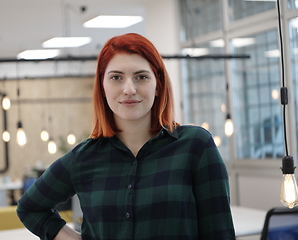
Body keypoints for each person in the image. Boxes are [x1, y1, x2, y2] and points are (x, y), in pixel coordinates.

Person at [16, 33, 236, 240]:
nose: (129, 89)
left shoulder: (196, 146)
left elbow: (220, 233)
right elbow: (30, 207)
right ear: (103, 86)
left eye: (141, 77)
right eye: (116, 78)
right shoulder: (83, 158)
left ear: (157, 85)